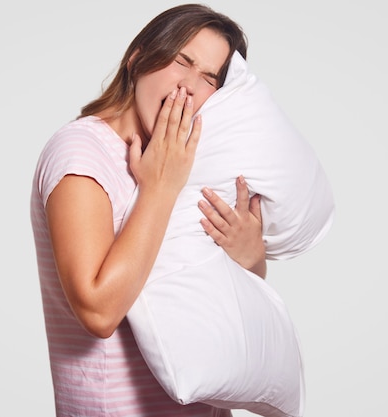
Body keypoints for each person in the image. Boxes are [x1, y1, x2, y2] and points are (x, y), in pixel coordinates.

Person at [30, 4, 266, 416]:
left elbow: (220, 294)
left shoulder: (190, 159)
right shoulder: (81, 151)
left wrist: (253, 260)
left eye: (209, 78)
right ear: (137, 58)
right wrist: (159, 188)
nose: (189, 87)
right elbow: (99, 310)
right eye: (181, 61)